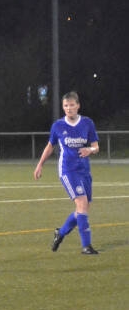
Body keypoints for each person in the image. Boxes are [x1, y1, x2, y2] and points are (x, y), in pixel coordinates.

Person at [34, 91, 100, 255]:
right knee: (82, 204)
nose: (69, 108)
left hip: (84, 170)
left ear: (78, 106)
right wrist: (40, 164)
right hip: (68, 170)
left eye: (71, 105)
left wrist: (90, 150)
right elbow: (50, 146)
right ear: (63, 108)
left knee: (82, 209)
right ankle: (86, 246)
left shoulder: (87, 123)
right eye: (66, 106)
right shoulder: (58, 126)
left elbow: (96, 147)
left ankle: (61, 232)